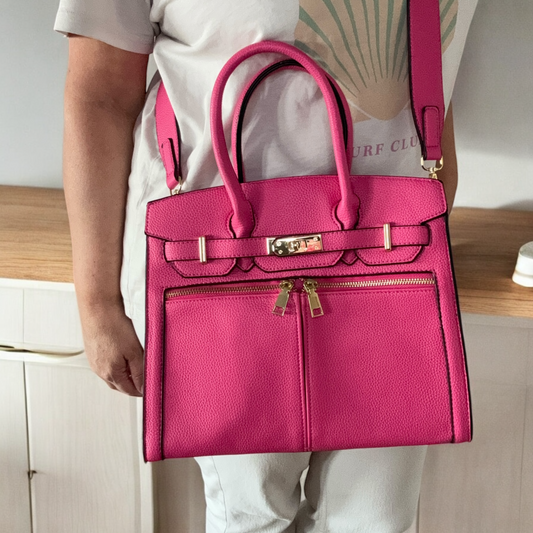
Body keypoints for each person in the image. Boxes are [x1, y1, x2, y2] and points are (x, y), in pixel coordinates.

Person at [54, 1, 478, 531]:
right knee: (253, 515)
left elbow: (435, 68)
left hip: (394, 259)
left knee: (379, 519)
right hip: (215, 267)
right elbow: (99, 95)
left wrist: (433, 225)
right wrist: (97, 303)